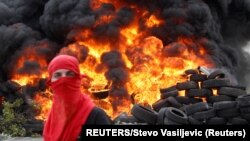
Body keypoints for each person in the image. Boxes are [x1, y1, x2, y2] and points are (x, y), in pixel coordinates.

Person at [43, 55, 111, 141]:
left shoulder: (95, 115)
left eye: (70, 74)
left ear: (78, 79)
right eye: (57, 75)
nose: (64, 80)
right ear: (51, 82)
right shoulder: (51, 118)